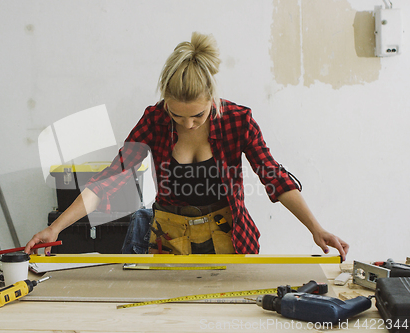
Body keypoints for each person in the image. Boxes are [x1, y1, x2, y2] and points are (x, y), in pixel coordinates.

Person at [25, 32, 349, 260]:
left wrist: (316, 229)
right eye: (176, 115)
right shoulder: (153, 119)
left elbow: (274, 177)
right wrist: (55, 228)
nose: (188, 124)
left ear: (213, 97)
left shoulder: (239, 120)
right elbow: (113, 178)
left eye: (197, 114)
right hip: (170, 238)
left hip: (228, 237)